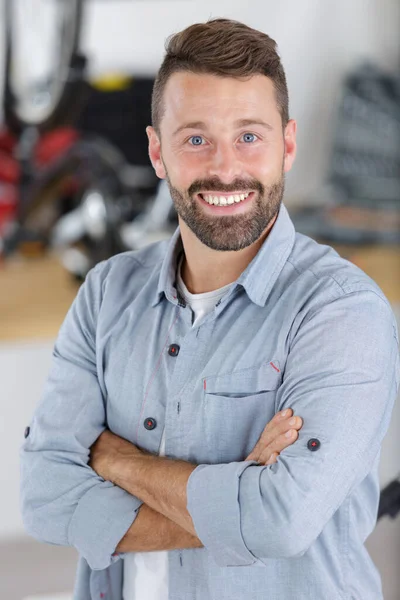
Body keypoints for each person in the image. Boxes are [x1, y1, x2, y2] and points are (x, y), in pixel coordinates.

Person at [20, 18, 399, 600]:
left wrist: (115, 462)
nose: (225, 168)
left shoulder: (342, 312)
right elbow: (45, 500)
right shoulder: (106, 293)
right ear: (157, 151)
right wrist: (239, 506)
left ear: (287, 145)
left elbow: (282, 522)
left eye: (250, 135)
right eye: (196, 138)